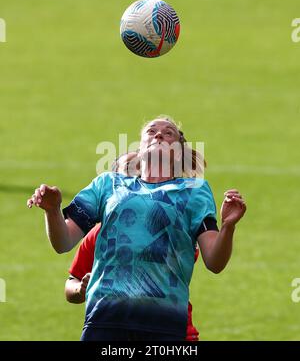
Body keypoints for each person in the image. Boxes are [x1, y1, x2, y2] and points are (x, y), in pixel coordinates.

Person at [27, 115, 246, 341]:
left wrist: (228, 227)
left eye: (168, 132)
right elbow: (63, 243)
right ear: (140, 147)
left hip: (165, 324)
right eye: (151, 131)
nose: (159, 134)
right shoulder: (107, 184)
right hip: (105, 318)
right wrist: (52, 211)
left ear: (179, 153)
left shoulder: (195, 191)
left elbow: (215, 262)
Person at [65, 223, 200, 341]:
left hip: (171, 329)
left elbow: (214, 262)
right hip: (110, 329)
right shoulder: (102, 231)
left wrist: (222, 232)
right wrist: (79, 289)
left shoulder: (177, 231)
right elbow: (72, 281)